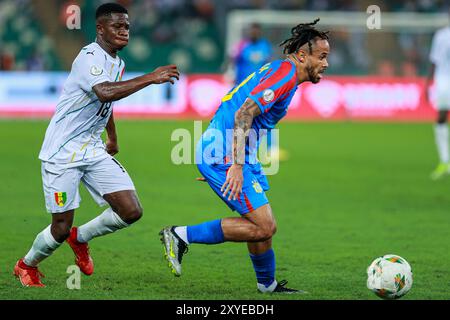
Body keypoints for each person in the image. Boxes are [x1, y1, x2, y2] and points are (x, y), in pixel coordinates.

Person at [14, 3, 179, 287]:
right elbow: (104, 92)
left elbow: (107, 101)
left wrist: (112, 136)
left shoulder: (116, 62)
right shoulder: (88, 57)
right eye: (117, 26)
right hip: (62, 152)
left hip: (92, 148)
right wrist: (151, 77)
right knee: (60, 227)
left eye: (126, 26)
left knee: (131, 211)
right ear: (100, 29)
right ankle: (26, 265)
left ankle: (82, 238)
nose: (124, 31)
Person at [160, 19, 329, 293]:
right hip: (230, 154)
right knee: (264, 226)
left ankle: (267, 284)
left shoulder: (282, 72)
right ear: (302, 55)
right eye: (321, 56)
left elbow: (232, 101)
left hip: (233, 151)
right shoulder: (285, 75)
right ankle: (180, 235)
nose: (326, 63)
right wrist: (231, 164)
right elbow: (244, 112)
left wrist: (215, 154)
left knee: (260, 222)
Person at [426, 9, 450, 180]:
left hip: (443, 82)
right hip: (443, 81)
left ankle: (444, 161)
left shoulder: (442, 35)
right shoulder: (441, 35)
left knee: (441, 118)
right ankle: (444, 162)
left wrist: (427, 84)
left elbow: (434, 61)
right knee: (441, 118)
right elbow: (435, 61)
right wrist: (428, 84)